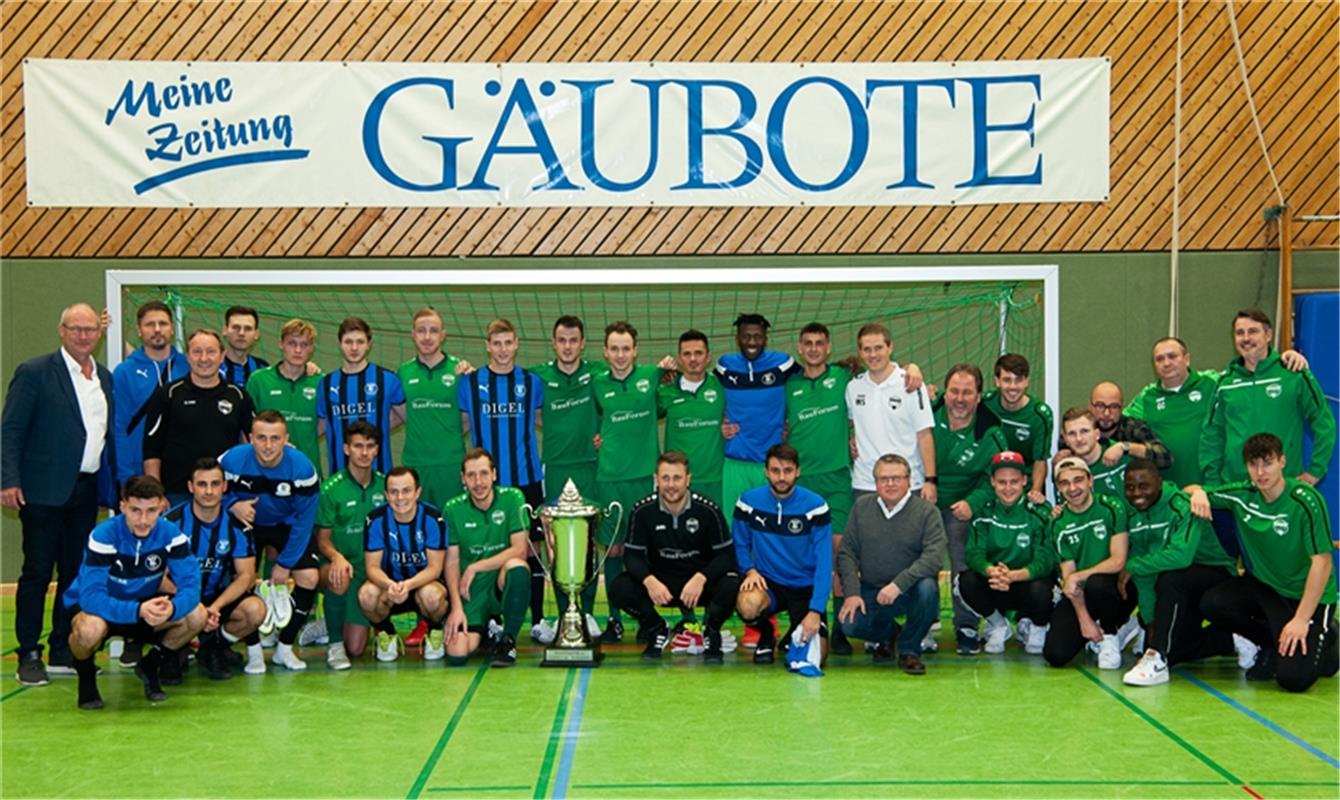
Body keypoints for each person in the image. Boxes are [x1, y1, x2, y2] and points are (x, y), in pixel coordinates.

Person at [2, 303, 116, 686]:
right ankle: (29, 652)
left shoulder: (103, 377)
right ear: (61, 330)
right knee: (36, 572)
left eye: (90, 330)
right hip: (42, 489)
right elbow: (12, 430)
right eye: (76, 329)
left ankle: (62, 648)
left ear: (98, 334)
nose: (84, 336)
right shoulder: (35, 373)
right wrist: (8, 480)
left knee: (74, 573)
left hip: (85, 491)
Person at [1190, 433, 1338, 692]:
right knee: (1213, 604)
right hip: (1267, 588)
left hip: (1309, 596)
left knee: (1294, 679)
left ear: (1282, 461)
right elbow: (1191, 490)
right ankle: (1270, 641)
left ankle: (1330, 637)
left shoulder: (1305, 501)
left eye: (1267, 463)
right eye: (1253, 464)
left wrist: (1301, 619)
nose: (1260, 472)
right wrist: (1198, 494)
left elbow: (1322, 563)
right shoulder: (1242, 495)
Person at [65, 476, 206, 709]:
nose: (143, 519)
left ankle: (150, 666)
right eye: (135, 510)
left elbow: (192, 586)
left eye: (151, 511)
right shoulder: (104, 536)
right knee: (88, 631)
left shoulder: (172, 535)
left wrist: (172, 608)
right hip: (103, 609)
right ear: (122, 507)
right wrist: (137, 610)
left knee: (197, 615)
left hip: (144, 606)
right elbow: (91, 597)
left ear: (162, 506)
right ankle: (86, 676)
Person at [1119, 459, 1248, 686]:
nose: (1137, 493)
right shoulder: (1133, 514)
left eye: (1144, 486)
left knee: (1171, 577)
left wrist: (1131, 565)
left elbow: (1180, 557)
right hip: (1181, 590)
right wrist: (1152, 624)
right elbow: (1145, 574)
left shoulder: (1183, 505)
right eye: (1130, 487)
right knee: (1175, 649)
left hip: (1215, 577)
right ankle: (1233, 638)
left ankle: (1157, 658)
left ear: (1159, 482)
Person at [1127, 335, 1312, 490]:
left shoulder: (1214, 382)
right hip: (1171, 492)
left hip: (1215, 487)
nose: (1166, 363)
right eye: (1159, 359)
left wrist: (1284, 358)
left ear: (1187, 359)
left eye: (1172, 356)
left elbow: (1249, 373)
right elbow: (1115, 422)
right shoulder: (1146, 397)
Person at [457, 319, 546, 633]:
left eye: (508, 343)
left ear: (517, 343)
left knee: (533, 549)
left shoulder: (532, 382)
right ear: (487, 345)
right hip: (485, 482)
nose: (503, 349)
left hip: (526, 478)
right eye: (497, 343)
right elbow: (464, 424)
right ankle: (492, 618)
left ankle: (538, 620)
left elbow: (541, 419)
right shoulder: (469, 382)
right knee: (489, 547)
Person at [609, 451, 739, 662]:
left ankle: (711, 631)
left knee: (732, 583)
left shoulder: (708, 510)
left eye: (677, 478)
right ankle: (656, 628)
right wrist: (649, 581)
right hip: (662, 586)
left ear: (688, 479)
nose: (671, 485)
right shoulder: (642, 510)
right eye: (665, 478)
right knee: (619, 588)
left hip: (698, 586)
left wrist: (701, 577)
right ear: (656, 480)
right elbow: (632, 556)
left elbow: (726, 556)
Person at [219, 410, 320, 673]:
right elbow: (207, 492)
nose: (267, 446)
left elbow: (304, 520)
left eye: (275, 439)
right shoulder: (231, 461)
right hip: (246, 523)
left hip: (285, 524)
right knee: (242, 578)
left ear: (286, 439)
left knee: (309, 577)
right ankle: (253, 651)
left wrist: (285, 563)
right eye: (261, 438)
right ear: (250, 438)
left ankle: (284, 648)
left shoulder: (302, 468)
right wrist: (233, 505)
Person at [1200, 308, 1335, 488]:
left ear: (1268, 335)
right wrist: (1213, 484)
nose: (1246, 338)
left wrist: (1315, 472)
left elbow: (1324, 424)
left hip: (1283, 487)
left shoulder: (1292, 374)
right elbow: (1212, 435)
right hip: (1237, 488)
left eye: (1253, 331)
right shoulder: (1225, 383)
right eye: (1240, 333)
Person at [837, 454, 945, 675]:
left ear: (909, 479)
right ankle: (887, 634)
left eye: (897, 478)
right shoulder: (861, 508)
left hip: (909, 590)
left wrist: (898, 584)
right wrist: (852, 593)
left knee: (927, 589)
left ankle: (909, 649)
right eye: (884, 478)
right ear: (875, 482)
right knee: (848, 624)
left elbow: (934, 558)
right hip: (872, 589)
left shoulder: (926, 512)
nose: (890, 484)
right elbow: (847, 552)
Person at [590, 320, 663, 642]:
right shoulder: (595, 382)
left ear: (635, 351)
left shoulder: (653, 376)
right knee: (614, 551)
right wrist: (597, 437)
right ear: (605, 352)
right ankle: (614, 619)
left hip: (644, 478)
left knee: (649, 551)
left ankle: (656, 618)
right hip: (609, 478)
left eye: (626, 349)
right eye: (614, 349)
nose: (620, 355)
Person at [785, 322, 856, 655]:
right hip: (803, 482)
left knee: (839, 552)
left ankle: (842, 627)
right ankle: (809, 622)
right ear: (800, 348)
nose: (813, 348)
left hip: (837, 478)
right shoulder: (789, 386)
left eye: (819, 343)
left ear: (828, 348)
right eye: (807, 343)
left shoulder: (843, 378)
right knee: (806, 558)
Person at [529, 315, 600, 643]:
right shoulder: (538, 377)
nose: (568, 346)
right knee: (557, 547)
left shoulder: (598, 372)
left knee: (590, 545)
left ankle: (586, 614)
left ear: (582, 343)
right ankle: (562, 617)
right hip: (557, 469)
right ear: (554, 343)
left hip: (592, 467)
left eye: (574, 340)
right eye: (562, 340)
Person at [931, 363, 1009, 655]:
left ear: (979, 396)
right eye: (954, 391)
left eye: (967, 392)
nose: (959, 398)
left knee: (962, 561)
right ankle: (925, 623)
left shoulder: (991, 433)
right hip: (925, 498)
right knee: (922, 558)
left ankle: (965, 626)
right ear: (945, 392)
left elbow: (999, 479)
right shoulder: (926, 414)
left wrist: (972, 503)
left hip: (963, 504)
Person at [733, 444, 833, 668]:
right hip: (770, 584)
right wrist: (749, 570)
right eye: (775, 470)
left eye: (787, 471)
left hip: (804, 587)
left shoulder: (815, 506)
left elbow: (825, 563)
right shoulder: (748, 502)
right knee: (748, 604)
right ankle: (767, 634)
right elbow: (740, 543)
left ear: (798, 471)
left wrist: (815, 611)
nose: (781, 477)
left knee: (818, 658)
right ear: (766, 471)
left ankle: (794, 633)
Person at [166, 458, 264, 681]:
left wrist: (215, 607)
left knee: (255, 610)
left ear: (224, 487)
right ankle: (171, 651)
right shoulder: (171, 524)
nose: (208, 491)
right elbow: (158, 577)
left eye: (214, 484)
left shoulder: (238, 527)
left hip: (217, 598)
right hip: (177, 596)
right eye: (202, 485)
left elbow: (246, 576)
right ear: (191, 487)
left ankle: (213, 648)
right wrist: (193, 603)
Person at [143, 328, 254, 507]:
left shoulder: (238, 396)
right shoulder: (168, 394)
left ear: (222, 355)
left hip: (225, 496)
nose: (204, 359)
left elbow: (254, 443)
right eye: (197, 352)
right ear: (187, 356)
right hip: (176, 494)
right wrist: (156, 494)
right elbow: (151, 450)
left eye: (211, 352)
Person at [958, 451, 1055, 656]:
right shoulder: (984, 511)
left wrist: (1014, 575)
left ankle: (1036, 626)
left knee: (1044, 588)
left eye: (1014, 482)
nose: (1008, 488)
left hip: (1026, 583)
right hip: (996, 583)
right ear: (992, 482)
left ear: (1024, 481)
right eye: (1002, 482)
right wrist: (991, 571)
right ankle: (998, 625)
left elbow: (1045, 560)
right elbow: (974, 554)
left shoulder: (1040, 510)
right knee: (965, 581)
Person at [1043, 457, 1136, 670]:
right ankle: (1097, 630)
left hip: (1116, 588)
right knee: (1055, 655)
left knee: (1098, 582)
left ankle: (1111, 634)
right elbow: (1069, 578)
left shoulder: (1111, 506)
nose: (1072, 488)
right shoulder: (1057, 523)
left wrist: (1078, 576)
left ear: (1090, 480)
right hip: (1082, 593)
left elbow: (1118, 560)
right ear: (1058, 487)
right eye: (1065, 483)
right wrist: (1084, 620)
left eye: (1078, 480)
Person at [442, 449, 532, 668]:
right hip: (471, 591)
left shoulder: (513, 498)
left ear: (494, 474)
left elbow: (520, 550)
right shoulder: (453, 509)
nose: (478, 482)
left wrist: (476, 567)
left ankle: (507, 640)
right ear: (463, 479)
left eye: (483, 473)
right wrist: (456, 608)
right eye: (471, 475)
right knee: (457, 653)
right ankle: (487, 629)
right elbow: (452, 562)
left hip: (499, 583)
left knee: (518, 567)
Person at [314, 422, 387, 670]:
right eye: (358, 446)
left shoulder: (386, 487)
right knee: (339, 575)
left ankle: (329, 623)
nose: (364, 453)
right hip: (342, 566)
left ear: (377, 449)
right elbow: (322, 539)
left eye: (369, 446)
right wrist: (336, 557)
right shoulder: (331, 490)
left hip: (370, 571)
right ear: (346, 449)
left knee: (356, 648)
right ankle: (334, 645)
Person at [358, 467, 449, 663]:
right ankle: (387, 633)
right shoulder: (375, 520)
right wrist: (390, 585)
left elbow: (435, 568)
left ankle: (434, 631)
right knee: (366, 596)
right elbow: (372, 567)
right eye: (394, 492)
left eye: (407, 491)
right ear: (386, 495)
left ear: (418, 492)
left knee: (432, 597)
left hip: (421, 588)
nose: (400, 498)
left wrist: (408, 585)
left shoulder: (433, 519)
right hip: (389, 589)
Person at [715, 314, 799, 514]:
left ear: (765, 338)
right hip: (736, 461)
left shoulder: (783, 363)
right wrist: (721, 424)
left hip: (772, 463)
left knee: (769, 527)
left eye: (758, 336)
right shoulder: (725, 366)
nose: (752, 342)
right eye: (746, 336)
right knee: (734, 526)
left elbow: (810, 384)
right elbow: (706, 398)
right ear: (737, 339)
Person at [846, 323, 936, 500]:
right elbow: (857, 423)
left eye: (878, 348)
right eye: (867, 349)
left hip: (908, 483)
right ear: (860, 352)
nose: (873, 355)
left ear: (890, 347)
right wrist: (854, 438)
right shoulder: (853, 387)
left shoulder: (911, 384)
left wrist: (930, 480)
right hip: (865, 483)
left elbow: (924, 434)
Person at [398, 308, 472, 508]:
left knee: (451, 530)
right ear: (413, 335)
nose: (427, 337)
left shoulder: (460, 371)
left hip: (450, 465)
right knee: (416, 530)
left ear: (443, 335)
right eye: (421, 330)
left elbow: (469, 418)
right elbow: (400, 414)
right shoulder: (403, 373)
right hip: (415, 465)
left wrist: (448, 433)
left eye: (433, 330)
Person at [112, 300, 188, 485]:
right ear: (139, 330)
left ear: (172, 328)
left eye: (163, 323)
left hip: (183, 473)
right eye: (149, 324)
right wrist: (126, 477)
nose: (157, 329)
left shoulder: (188, 366)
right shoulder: (125, 371)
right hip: (139, 472)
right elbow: (118, 428)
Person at [318, 316, 406, 475]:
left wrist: (381, 426)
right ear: (339, 344)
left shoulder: (387, 379)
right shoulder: (325, 383)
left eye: (360, 342)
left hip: (379, 472)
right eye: (348, 342)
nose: (354, 347)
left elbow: (408, 418)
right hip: (339, 474)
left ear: (369, 345)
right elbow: (322, 425)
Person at [245, 318, 324, 473]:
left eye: (304, 344)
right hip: (265, 468)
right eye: (292, 343)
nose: (298, 350)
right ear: (281, 344)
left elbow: (324, 423)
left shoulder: (321, 382)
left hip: (307, 466)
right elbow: (247, 425)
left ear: (312, 348)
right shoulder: (259, 380)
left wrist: (305, 434)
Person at [660, 329, 726, 507]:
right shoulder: (665, 390)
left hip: (714, 479)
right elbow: (637, 416)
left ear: (708, 357)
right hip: (676, 483)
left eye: (698, 353)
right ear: (679, 359)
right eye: (687, 354)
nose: (693, 359)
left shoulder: (722, 387)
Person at [981, 354, 1052, 503]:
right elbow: (957, 401)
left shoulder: (1040, 415)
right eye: (1007, 380)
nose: (1013, 387)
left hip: (1023, 486)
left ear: (1027, 381)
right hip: (989, 484)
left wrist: (1035, 492)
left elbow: (1040, 461)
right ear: (997, 381)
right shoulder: (985, 404)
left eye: (1018, 380)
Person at [1056, 382, 1169, 471]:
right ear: (1090, 405)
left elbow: (1165, 458)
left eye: (1114, 407)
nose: (1106, 413)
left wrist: (1126, 448)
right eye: (1100, 406)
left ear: (1121, 407)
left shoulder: (1134, 429)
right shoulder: (1075, 432)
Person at [1059, 407, 1129, 499]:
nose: (1079, 439)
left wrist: (1127, 447)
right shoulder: (1065, 472)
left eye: (1084, 431)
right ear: (1065, 439)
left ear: (1097, 434)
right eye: (1072, 434)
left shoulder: (1122, 456)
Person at [219, 305, 268, 387]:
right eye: (236, 327)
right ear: (225, 330)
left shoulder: (262, 368)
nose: (241, 333)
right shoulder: (210, 365)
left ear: (256, 334)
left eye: (248, 328)